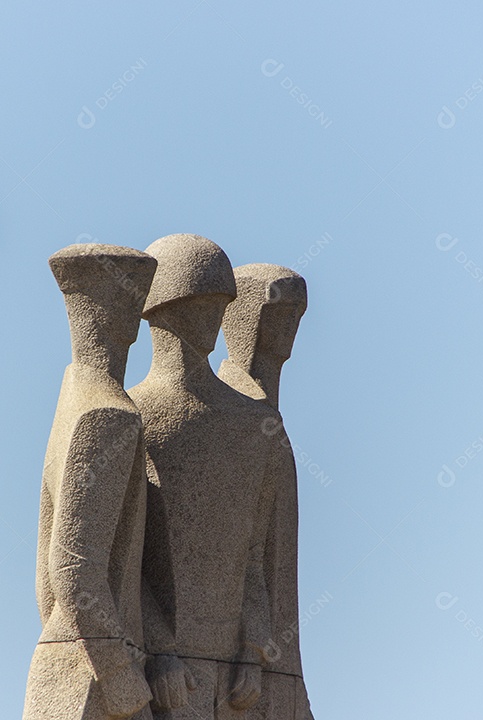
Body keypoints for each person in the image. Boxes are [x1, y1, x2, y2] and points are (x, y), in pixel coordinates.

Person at [128, 235, 279, 719]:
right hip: (165, 673)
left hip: (234, 677)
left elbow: (252, 551)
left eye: (222, 303)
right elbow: (120, 557)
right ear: (165, 308)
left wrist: (253, 648)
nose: (215, 315)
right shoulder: (133, 416)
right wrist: (159, 650)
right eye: (202, 302)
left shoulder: (251, 423)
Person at [23, 243, 158, 720]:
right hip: (96, 680)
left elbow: (47, 581)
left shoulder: (72, 395)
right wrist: (122, 677)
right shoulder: (109, 413)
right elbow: (72, 567)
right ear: (127, 320)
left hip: (63, 662)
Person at [218, 264, 314, 720]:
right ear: (247, 317)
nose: (290, 325)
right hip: (241, 661)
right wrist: (251, 646)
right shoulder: (232, 416)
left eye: (297, 313)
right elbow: (240, 547)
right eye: (280, 310)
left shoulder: (267, 416)